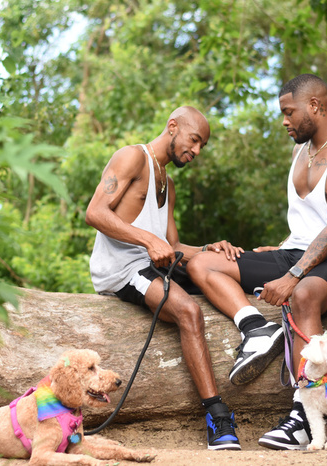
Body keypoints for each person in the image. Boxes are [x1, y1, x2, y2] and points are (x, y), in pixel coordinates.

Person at [187, 73, 327, 450]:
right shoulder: (300, 151)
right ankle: (256, 328)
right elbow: (307, 225)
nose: (285, 121)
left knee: (302, 294)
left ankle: (305, 415)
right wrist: (278, 252)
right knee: (203, 264)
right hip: (297, 252)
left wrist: (291, 275)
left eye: (289, 112)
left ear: (315, 107)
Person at [86, 106, 251, 451]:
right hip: (123, 269)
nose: (197, 151)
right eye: (194, 140)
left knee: (214, 270)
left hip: (153, 263)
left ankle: (256, 328)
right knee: (189, 312)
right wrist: (148, 240)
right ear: (172, 126)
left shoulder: (168, 185)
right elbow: (95, 212)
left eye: (202, 145)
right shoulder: (132, 157)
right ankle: (217, 417)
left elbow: (173, 246)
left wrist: (210, 249)